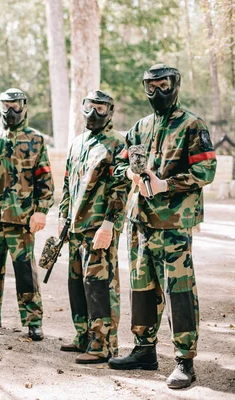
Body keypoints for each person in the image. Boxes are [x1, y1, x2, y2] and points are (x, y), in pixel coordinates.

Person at [109, 64, 217, 389]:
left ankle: (185, 360)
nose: (157, 92)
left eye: (163, 85)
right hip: (140, 221)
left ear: (176, 84)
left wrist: (165, 184)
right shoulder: (140, 127)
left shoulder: (192, 125)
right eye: (150, 86)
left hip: (173, 224)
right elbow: (119, 163)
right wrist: (130, 174)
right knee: (141, 287)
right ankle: (144, 350)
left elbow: (207, 170)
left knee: (178, 291)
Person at [0, 88, 54, 341]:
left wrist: (41, 211)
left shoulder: (35, 139)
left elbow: (45, 178)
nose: (11, 111)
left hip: (21, 218)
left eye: (16, 105)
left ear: (24, 106)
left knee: (25, 271)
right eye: (5, 105)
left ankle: (33, 321)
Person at [57, 90, 128, 363]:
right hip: (75, 228)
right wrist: (63, 217)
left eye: (100, 108)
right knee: (77, 283)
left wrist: (109, 224)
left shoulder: (116, 143)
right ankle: (83, 335)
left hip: (99, 227)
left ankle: (102, 344)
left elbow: (120, 189)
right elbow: (67, 183)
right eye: (89, 106)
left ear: (110, 112)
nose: (93, 113)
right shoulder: (77, 143)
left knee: (100, 286)